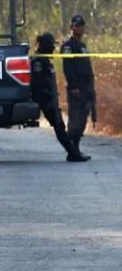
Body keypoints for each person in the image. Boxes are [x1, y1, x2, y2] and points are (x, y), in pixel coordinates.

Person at [31, 32, 85, 161]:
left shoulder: (45, 59)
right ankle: (73, 153)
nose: (53, 48)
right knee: (59, 126)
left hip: (50, 99)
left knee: (59, 126)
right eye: (51, 45)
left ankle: (73, 152)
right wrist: (47, 100)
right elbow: (38, 85)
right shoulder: (38, 61)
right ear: (45, 45)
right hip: (46, 100)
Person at [61, 15, 96, 161]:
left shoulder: (82, 46)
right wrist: (74, 86)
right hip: (77, 88)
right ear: (71, 27)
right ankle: (72, 151)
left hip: (86, 88)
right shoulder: (68, 46)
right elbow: (67, 67)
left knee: (82, 120)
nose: (80, 28)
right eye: (77, 25)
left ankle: (75, 149)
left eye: (81, 25)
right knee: (76, 120)